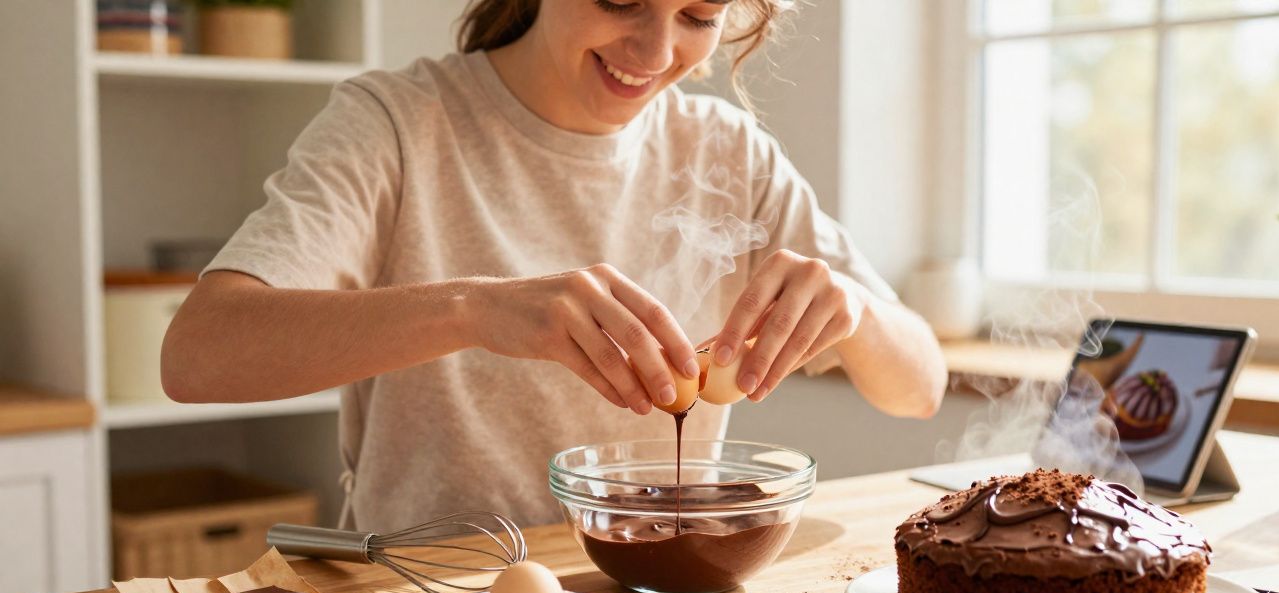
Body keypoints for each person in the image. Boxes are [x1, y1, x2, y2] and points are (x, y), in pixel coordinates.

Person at [161, 0, 947, 533]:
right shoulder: (398, 125)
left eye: (698, 15)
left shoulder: (730, 155)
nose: (655, 51)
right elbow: (197, 355)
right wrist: (473, 310)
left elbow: (920, 389)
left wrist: (856, 308)